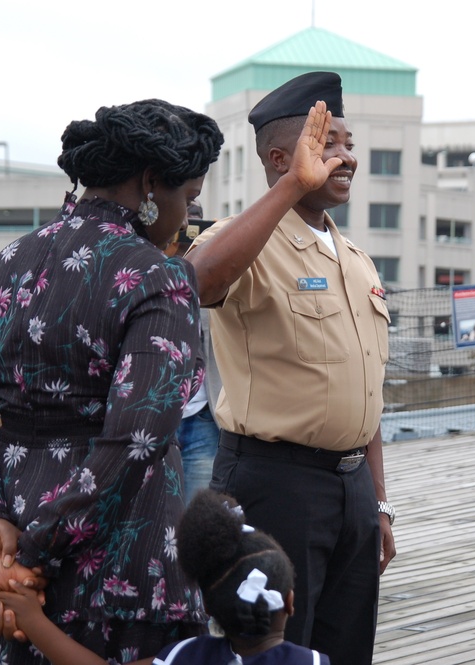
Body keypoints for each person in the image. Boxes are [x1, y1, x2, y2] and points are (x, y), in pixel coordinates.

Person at [0, 99, 224, 664]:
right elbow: (137, 439)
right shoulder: (159, 278)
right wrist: (34, 557)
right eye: (190, 198)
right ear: (152, 182)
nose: (187, 218)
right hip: (115, 561)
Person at [186, 71, 396, 665]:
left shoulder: (355, 259)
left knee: (346, 648)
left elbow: (366, 387)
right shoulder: (246, 240)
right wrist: (287, 191)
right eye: (328, 145)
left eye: (349, 143)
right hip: (276, 483)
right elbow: (198, 281)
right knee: (274, 650)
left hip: (352, 488)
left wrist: (377, 502)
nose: (347, 157)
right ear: (281, 158)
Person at [0, 489, 329, 665]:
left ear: (207, 607)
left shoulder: (189, 656)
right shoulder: (313, 663)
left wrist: (33, 620)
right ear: (290, 602)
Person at [175, 199, 221, 504]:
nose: (188, 224)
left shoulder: (210, 270)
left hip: (202, 415)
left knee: (196, 515)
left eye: (196, 218)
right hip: (158, 417)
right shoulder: (148, 261)